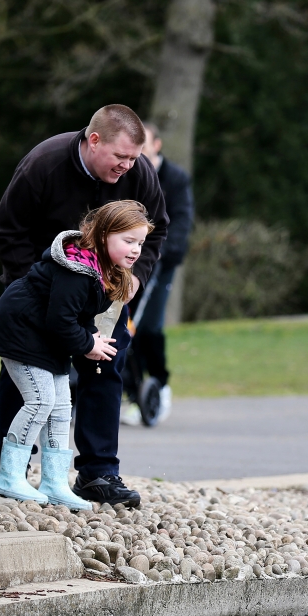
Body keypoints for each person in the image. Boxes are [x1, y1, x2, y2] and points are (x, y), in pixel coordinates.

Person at [0, 104, 168, 508]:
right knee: (30, 374)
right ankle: (13, 463)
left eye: (134, 158)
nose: (127, 166)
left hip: (107, 293)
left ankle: (98, 472)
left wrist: (135, 274)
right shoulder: (44, 163)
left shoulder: (139, 174)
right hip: (38, 290)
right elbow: (8, 231)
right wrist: (34, 293)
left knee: (105, 366)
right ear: (93, 141)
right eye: (120, 157)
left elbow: (157, 230)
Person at [0, 202, 152, 510]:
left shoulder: (103, 271)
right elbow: (60, 321)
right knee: (41, 400)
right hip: (22, 336)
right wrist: (88, 344)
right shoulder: (76, 270)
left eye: (140, 242)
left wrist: (91, 336)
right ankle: (10, 475)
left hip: (45, 342)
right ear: (102, 236)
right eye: (128, 241)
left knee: (61, 408)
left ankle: (54, 481)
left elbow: (80, 315)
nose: (136, 249)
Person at [121, 121, 194, 426]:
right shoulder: (129, 173)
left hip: (160, 262)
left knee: (149, 326)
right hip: (128, 259)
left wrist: (163, 249)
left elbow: (180, 219)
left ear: (157, 145)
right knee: (124, 324)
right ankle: (130, 389)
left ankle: (159, 385)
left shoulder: (175, 178)